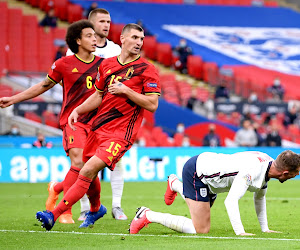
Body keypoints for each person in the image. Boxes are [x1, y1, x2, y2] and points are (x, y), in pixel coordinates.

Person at [35, 23, 161, 231]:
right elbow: (98, 95)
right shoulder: (107, 65)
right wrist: (79, 110)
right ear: (122, 38)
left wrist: (126, 91)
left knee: (87, 169)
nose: (139, 42)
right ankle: (96, 209)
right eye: (135, 38)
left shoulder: (147, 70)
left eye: (141, 39)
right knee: (89, 173)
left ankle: (53, 215)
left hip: (121, 133)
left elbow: (152, 105)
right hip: (98, 128)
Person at [0, 20, 102, 224]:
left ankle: (79, 199)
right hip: (74, 122)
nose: (95, 39)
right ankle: (63, 210)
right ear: (77, 40)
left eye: (95, 35)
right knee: (80, 162)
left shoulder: (103, 64)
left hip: (97, 124)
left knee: (90, 168)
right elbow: (43, 85)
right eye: (89, 35)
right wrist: (13, 98)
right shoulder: (64, 64)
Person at [129, 150, 300, 235]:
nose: (296, 176)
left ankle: (174, 184)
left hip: (212, 179)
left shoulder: (269, 164)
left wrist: (265, 229)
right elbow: (231, 201)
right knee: (201, 228)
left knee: (199, 212)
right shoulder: (252, 170)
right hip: (197, 173)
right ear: (286, 173)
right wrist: (240, 232)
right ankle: (148, 215)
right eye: (296, 173)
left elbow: (259, 197)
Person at [65, 8, 126, 221]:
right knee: (84, 162)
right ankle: (84, 207)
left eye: (109, 21)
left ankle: (117, 206)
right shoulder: (74, 51)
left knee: (115, 160)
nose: (107, 25)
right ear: (91, 25)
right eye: (102, 21)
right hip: (83, 115)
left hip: (109, 115)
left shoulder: (116, 49)